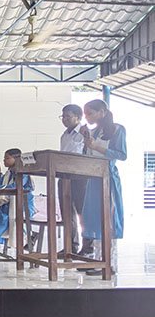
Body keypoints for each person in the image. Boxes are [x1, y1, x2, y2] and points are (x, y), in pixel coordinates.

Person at [80, 99, 127, 276]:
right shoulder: (94, 131)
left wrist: (96, 146)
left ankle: (110, 263)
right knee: (94, 220)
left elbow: (121, 154)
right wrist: (87, 142)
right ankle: (99, 260)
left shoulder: (117, 129)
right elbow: (88, 154)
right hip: (92, 179)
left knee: (108, 220)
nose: (87, 117)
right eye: (86, 114)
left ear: (102, 112)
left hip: (107, 178)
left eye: (90, 113)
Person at [58, 104, 89, 255]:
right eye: (62, 117)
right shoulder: (64, 135)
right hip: (63, 177)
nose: (64, 120)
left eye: (68, 117)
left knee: (82, 212)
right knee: (67, 214)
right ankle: (71, 246)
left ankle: (87, 247)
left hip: (80, 177)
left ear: (79, 117)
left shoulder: (85, 133)